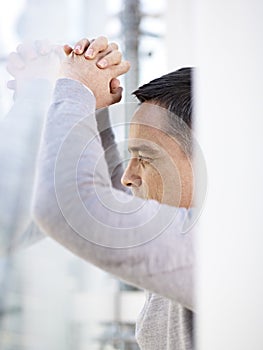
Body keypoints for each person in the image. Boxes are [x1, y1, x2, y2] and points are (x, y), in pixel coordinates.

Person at [7, 37, 205, 350]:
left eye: (146, 157)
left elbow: (74, 208)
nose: (128, 176)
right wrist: (91, 106)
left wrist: (76, 87)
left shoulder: (227, 250)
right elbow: (103, 202)